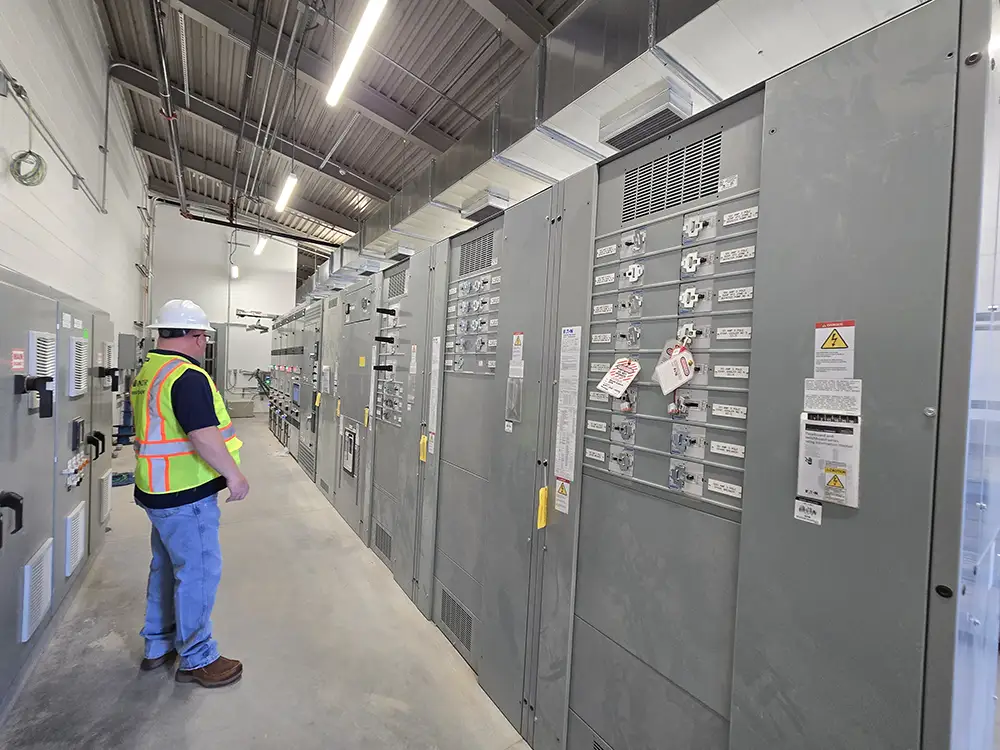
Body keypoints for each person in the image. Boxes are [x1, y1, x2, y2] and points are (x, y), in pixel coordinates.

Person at [130, 299, 250, 688]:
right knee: (197, 573)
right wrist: (234, 475)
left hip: (157, 489)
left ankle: (157, 644)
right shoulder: (187, 376)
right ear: (197, 336)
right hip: (186, 494)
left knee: (166, 567)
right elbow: (203, 435)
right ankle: (198, 657)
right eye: (204, 338)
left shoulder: (149, 371)